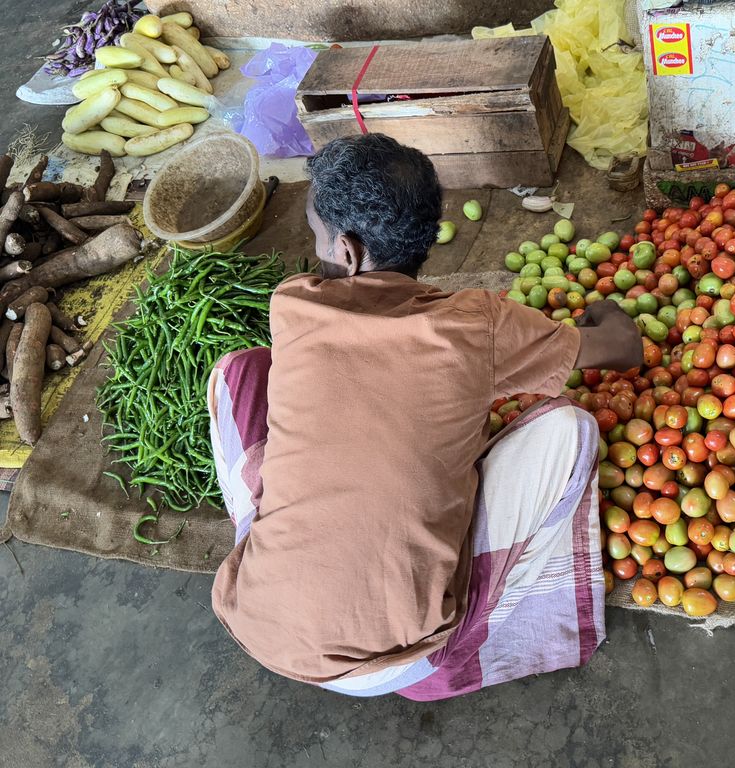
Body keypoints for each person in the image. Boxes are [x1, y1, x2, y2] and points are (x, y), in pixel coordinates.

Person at [208, 134, 642, 700]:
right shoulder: (477, 323)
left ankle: (283, 541)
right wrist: (601, 308)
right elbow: (624, 348)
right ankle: (488, 630)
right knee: (570, 427)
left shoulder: (292, 303)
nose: (313, 247)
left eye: (315, 233)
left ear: (348, 252)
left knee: (240, 369)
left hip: (262, 624)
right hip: (403, 656)